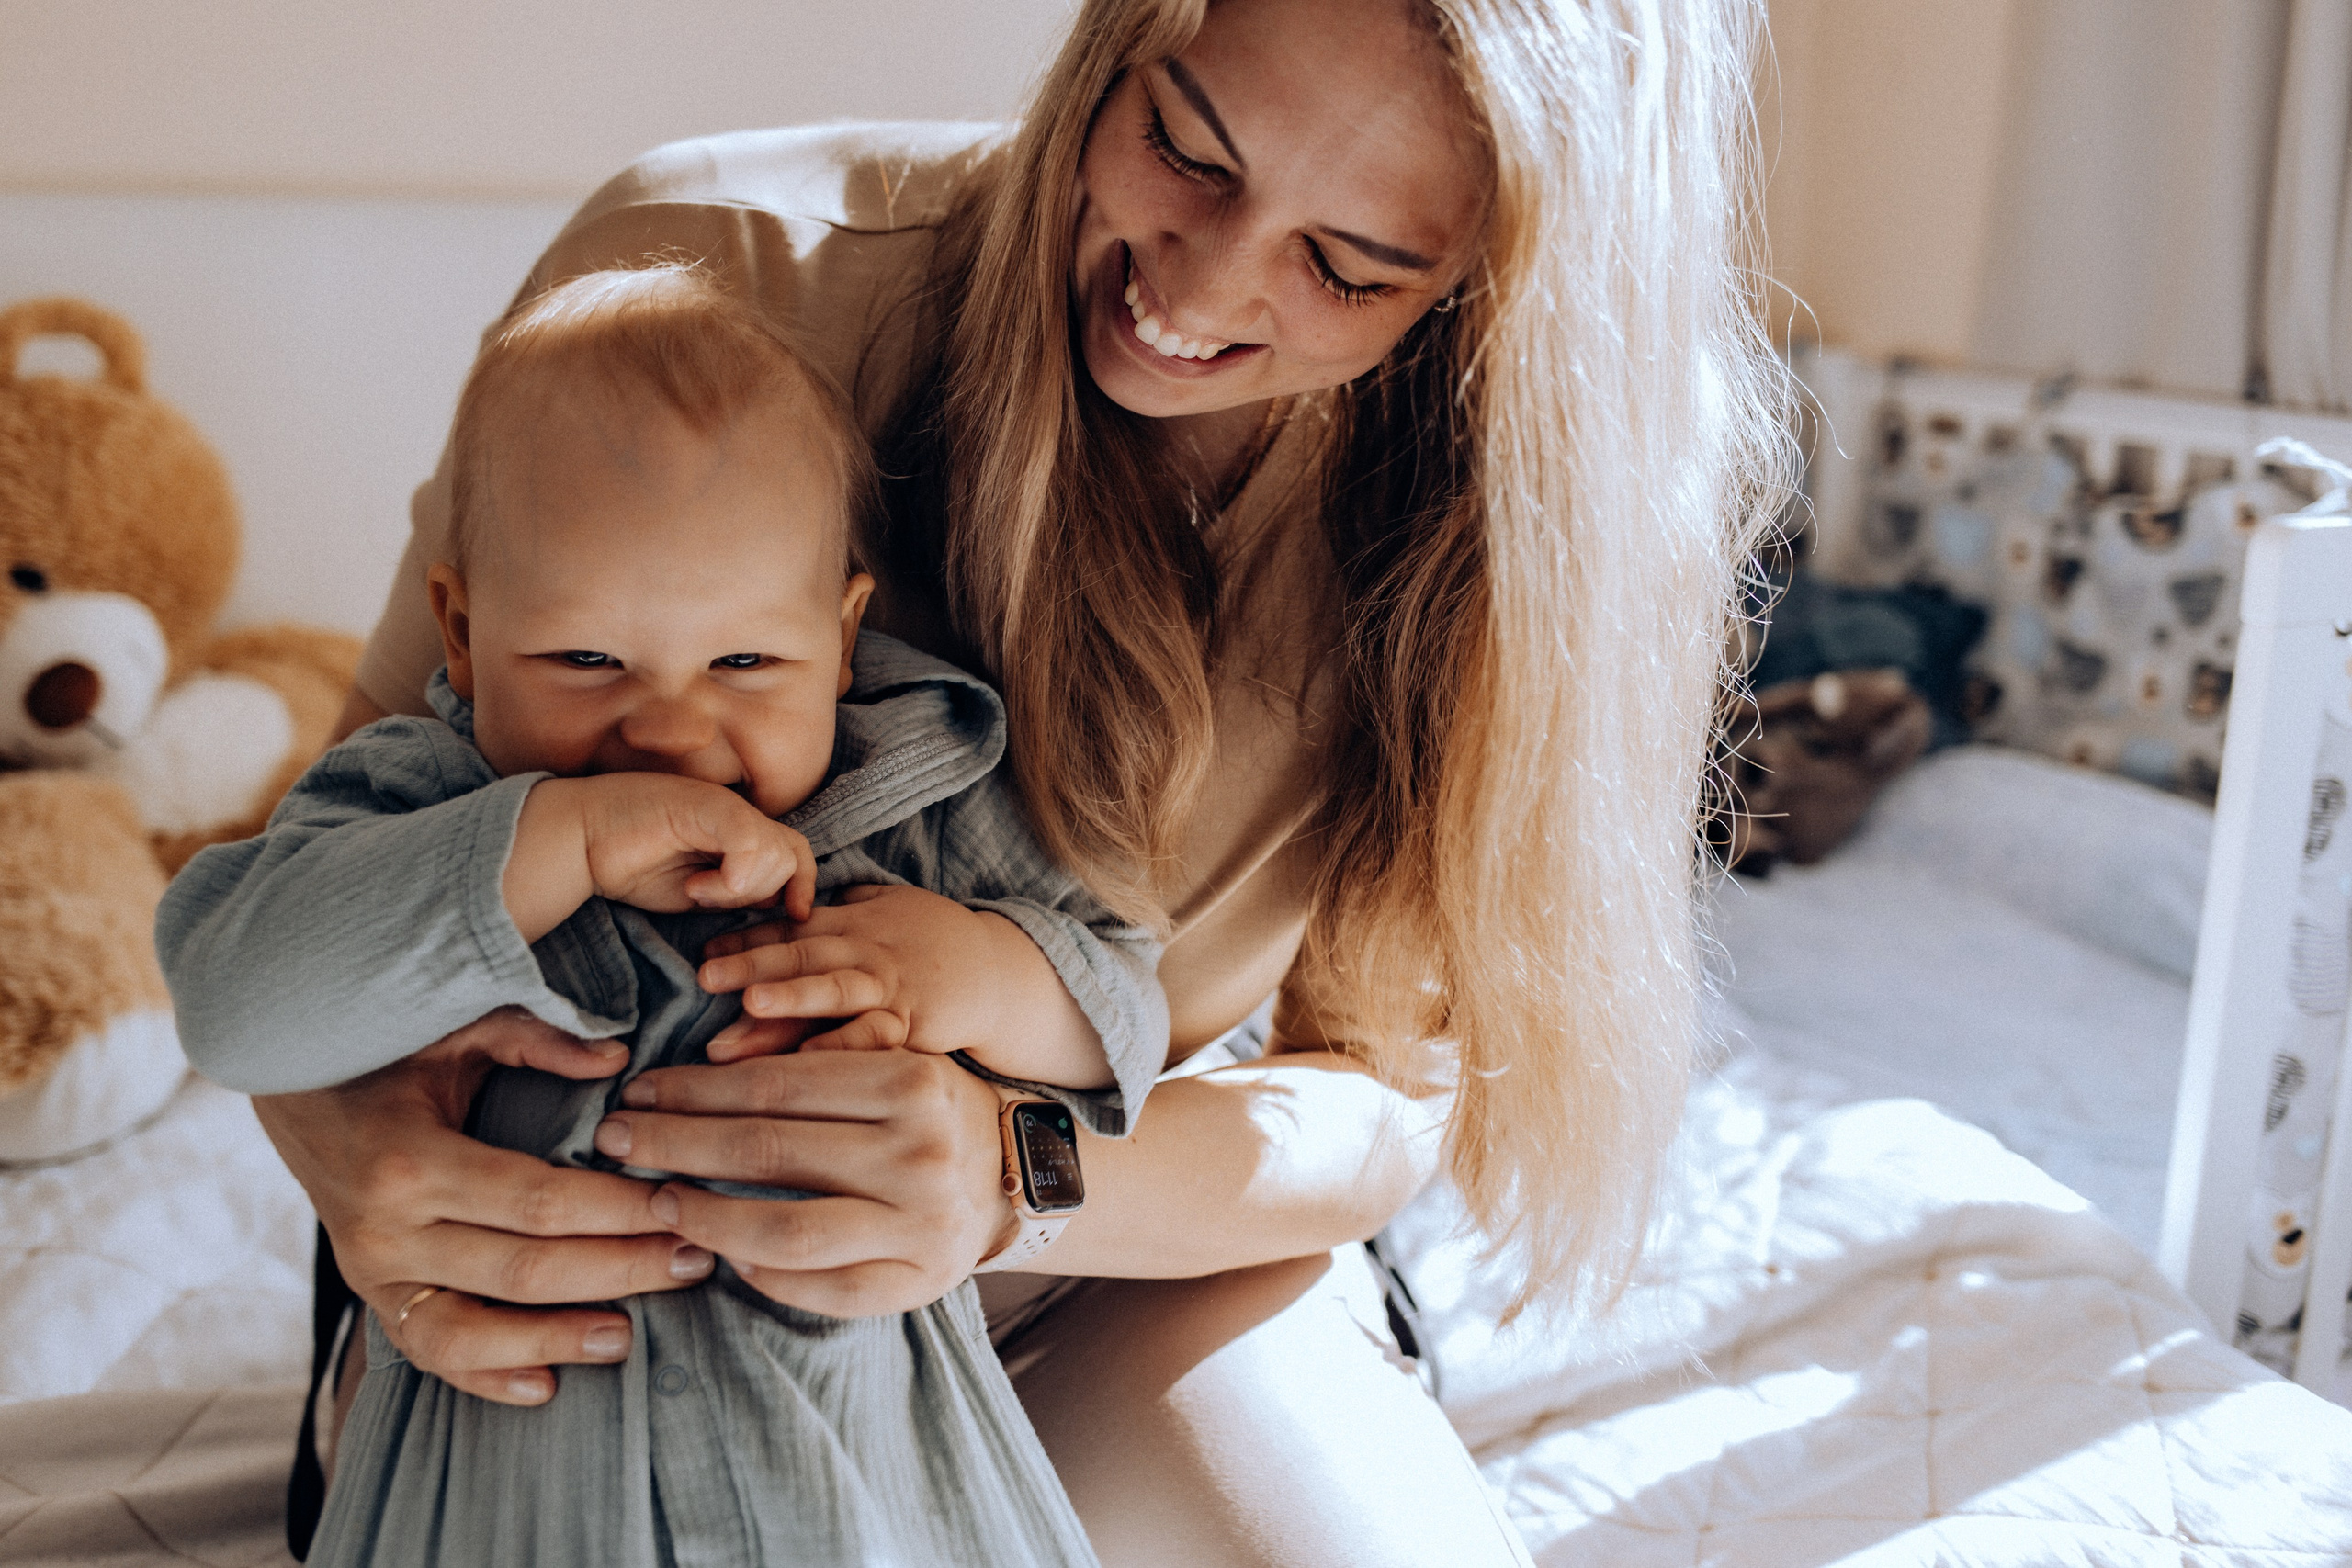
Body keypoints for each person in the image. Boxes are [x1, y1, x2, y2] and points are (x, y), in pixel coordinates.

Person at [250, 1, 1782, 1562]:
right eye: (1183, 146)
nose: (1193, 286)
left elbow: (1382, 1100)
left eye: (1348, 268)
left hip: (1117, 1229)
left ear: (1482, 283)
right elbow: (329, 842)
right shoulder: (710, 269)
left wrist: (1011, 1185)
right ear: (1114, 45)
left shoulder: (1514, 523)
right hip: (574, 1252)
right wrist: (355, 1152)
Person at [160, 266, 1164, 1566]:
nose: (671, 730)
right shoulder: (419, 799)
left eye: (746, 662)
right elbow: (229, 1000)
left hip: (870, 1484)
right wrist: (556, 841)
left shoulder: (922, 801)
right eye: (585, 660)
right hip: (512, 1484)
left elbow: (1129, 1009)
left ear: (843, 632)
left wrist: (982, 973)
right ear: (459, 634)